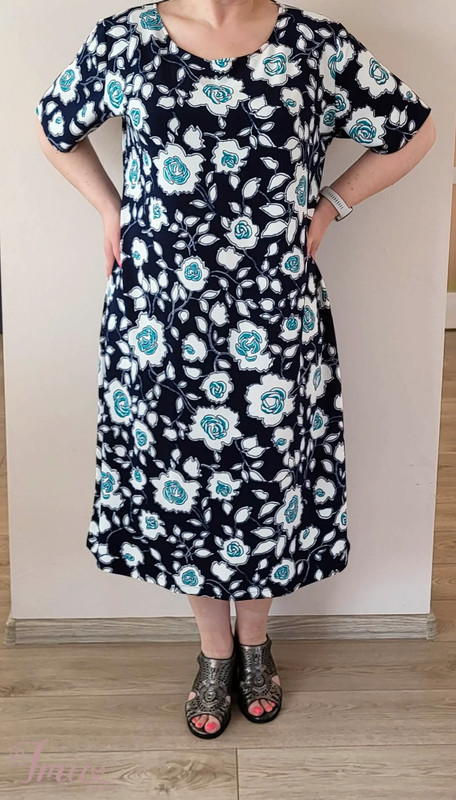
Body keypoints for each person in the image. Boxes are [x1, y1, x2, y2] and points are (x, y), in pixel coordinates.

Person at [35, 0, 436, 739]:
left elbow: (414, 131)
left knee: (264, 483)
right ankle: (213, 652)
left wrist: (330, 206)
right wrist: (110, 210)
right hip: (161, 316)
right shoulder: (126, 39)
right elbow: (54, 128)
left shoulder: (314, 45)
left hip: (273, 316)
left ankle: (256, 645)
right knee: (182, 484)